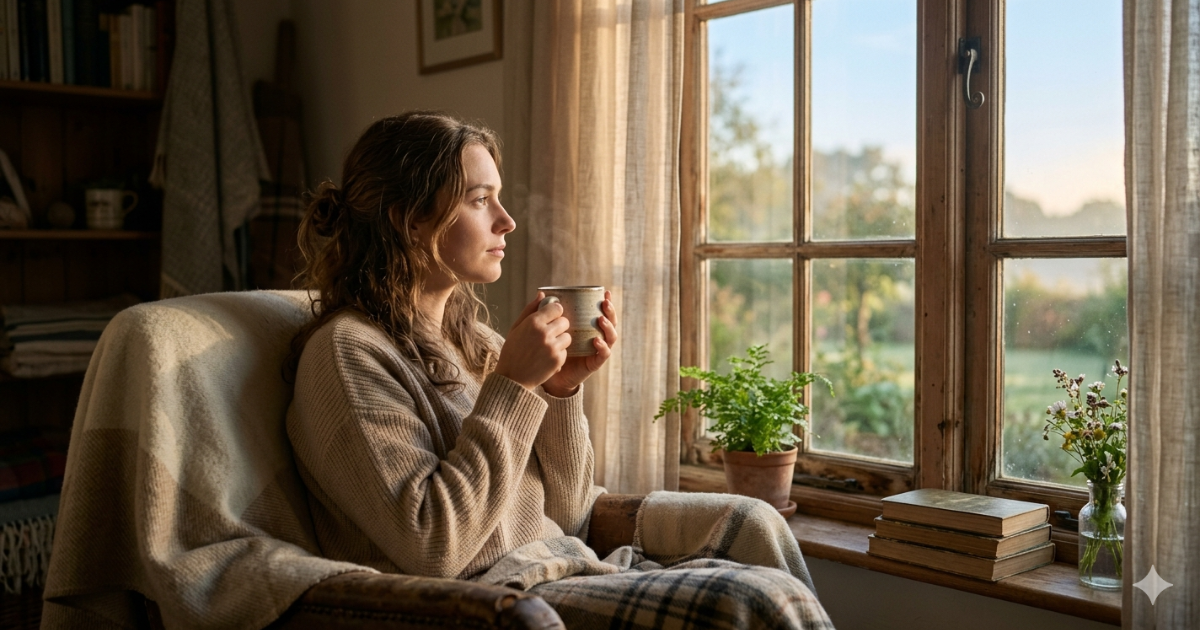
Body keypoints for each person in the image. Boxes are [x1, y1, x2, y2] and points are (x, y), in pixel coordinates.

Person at [285, 111, 832, 629]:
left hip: (559, 562)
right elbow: (433, 546)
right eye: (480, 200)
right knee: (759, 599)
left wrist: (560, 390)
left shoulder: (471, 341)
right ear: (407, 220)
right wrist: (514, 387)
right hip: (490, 602)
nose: (507, 220)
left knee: (757, 528)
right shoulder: (347, 353)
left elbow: (570, 514)